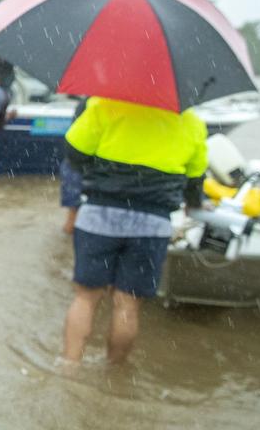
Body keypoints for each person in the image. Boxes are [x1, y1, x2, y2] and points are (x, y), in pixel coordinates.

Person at [60, 96, 207, 365]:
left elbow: (74, 152)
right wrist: (193, 202)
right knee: (127, 303)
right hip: (152, 223)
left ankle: (70, 367)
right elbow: (195, 180)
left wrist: (99, 171)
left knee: (86, 298)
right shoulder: (192, 122)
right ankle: (114, 373)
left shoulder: (104, 106)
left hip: (99, 215)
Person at [58, 96, 90, 234]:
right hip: (80, 166)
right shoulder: (92, 103)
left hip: (75, 164)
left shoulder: (88, 101)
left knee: (74, 214)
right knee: (74, 217)